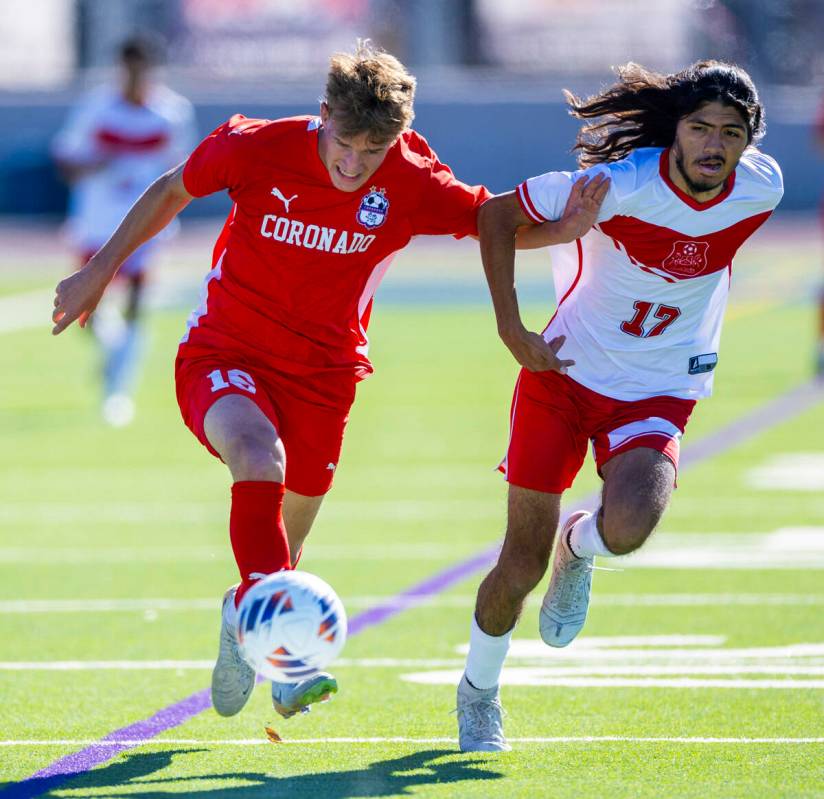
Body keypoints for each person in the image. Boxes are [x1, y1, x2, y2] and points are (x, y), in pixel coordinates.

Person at [52, 41, 603, 722]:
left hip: (325, 377)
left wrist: (564, 229)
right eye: (344, 144)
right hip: (225, 351)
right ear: (322, 116)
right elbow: (172, 188)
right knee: (259, 459)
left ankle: (241, 613)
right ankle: (287, 660)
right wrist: (99, 271)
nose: (354, 164)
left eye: (373, 152)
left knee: (283, 542)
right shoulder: (254, 147)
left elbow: (488, 222)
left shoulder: (410, 179)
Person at [456, 60, 784, 752]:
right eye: (699, 127)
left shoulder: (763, 188)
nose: (713, 144)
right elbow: (495, 216)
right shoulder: (622, 183)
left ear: (751, 140)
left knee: (633, 523)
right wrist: (513, 329)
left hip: (660, 384)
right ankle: (479, 692)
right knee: (519, 565)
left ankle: (585, 543)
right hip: (564, 375)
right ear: (677, 131)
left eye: (730, 131)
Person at [52, 34, 196, 426]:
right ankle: (114, 352)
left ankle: (117, 395)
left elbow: (182, 170)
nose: (136, 77)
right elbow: (66, 159)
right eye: (129, 69)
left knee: (136, 300)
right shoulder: (96, 108)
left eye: (143, 69)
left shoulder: (171, 113)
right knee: (85, 308)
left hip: (143, 223)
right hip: (97, 221)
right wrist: (94, 164)